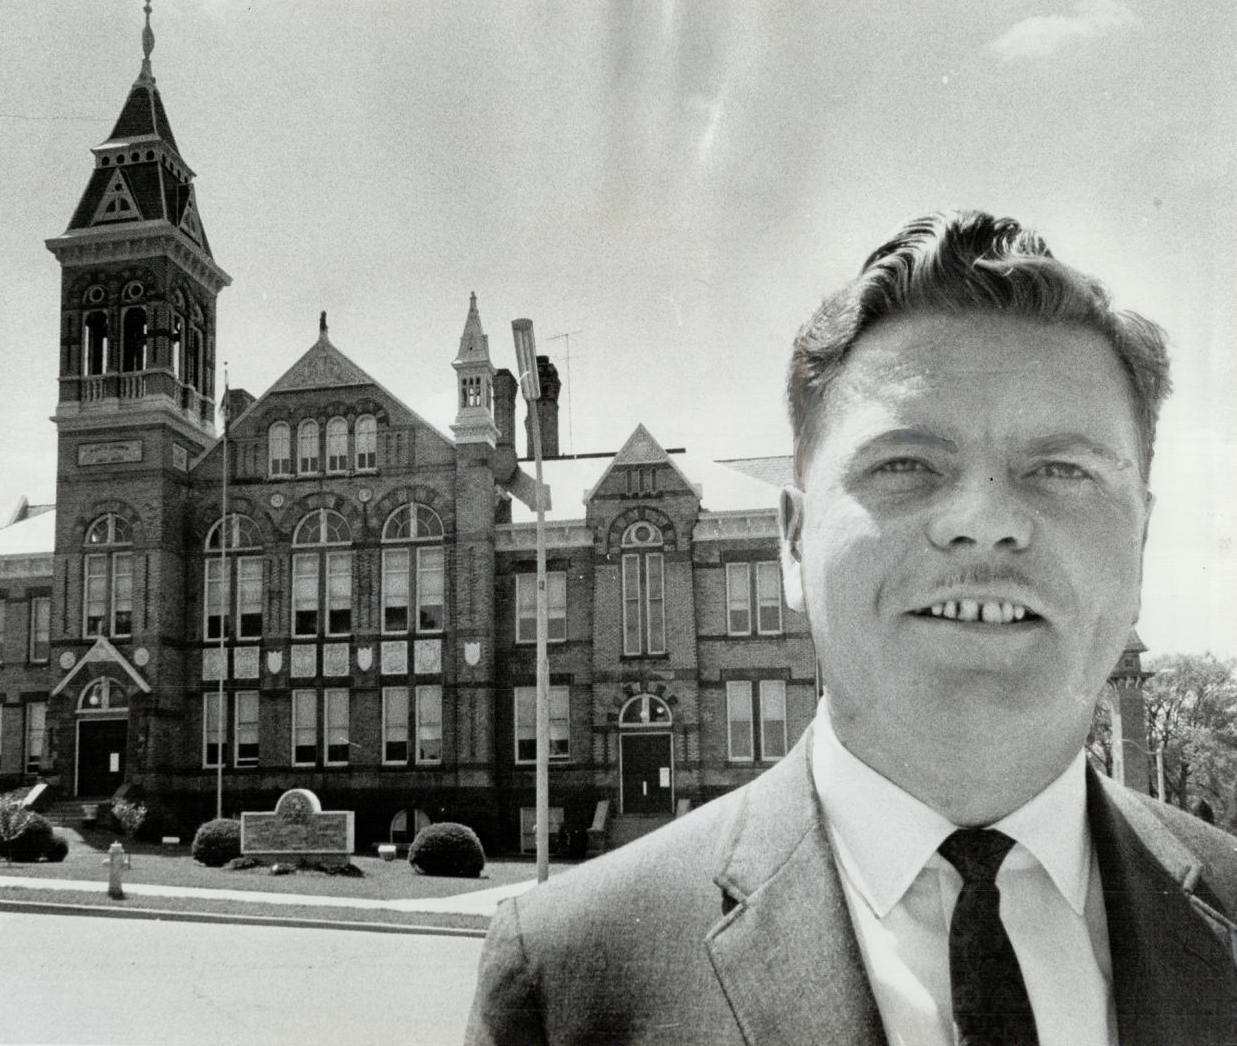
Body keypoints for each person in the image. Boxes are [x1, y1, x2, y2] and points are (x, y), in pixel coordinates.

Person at [464, 210, 1237, 1045]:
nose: (985, 520)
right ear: (794, 542)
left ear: (1142, 538)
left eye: (1062, 469)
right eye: (905, 464)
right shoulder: (569, 978)